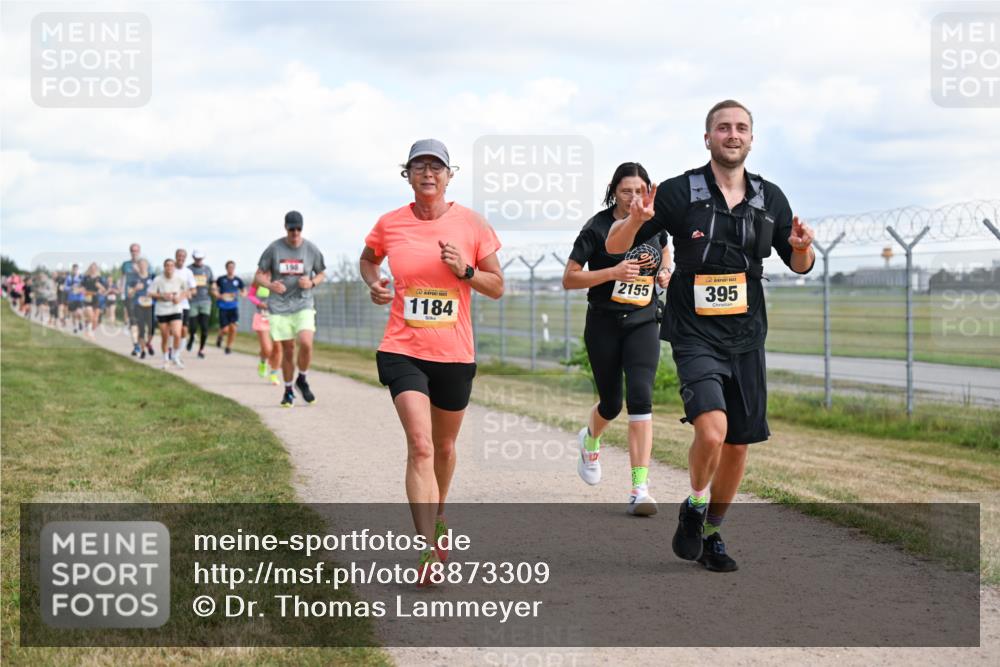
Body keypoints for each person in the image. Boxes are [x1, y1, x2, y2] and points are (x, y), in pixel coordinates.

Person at [605, 100, 816, 572]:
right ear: (708, 138)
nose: (732, 134)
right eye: (723, 127)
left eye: (741, 127)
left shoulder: (770, 198)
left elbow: (797, 263)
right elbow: (614, 246)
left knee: (738, 442)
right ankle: (696, 504)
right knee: (712, 429)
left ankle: (713, 531)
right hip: (694, 332)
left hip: (746, 335)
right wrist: (637, 219)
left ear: (751, 139)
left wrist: (802, 250)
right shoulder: (681, 192)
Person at [360, 139, 504, 585]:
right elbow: (369, 260)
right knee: (420, 445)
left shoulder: (472, 224)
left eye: (436, 167)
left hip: (454, 355)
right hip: (403, 348)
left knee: (443, 448)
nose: (428, 173)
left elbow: (497, 286)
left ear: (449, 175)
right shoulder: (390, 224)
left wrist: (465, 270)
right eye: (419, 166)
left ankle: (439, 516)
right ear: (407, 173)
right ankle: (426, 549)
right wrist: (376, 282)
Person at [563, 162, 671, 516]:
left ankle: (640, 488)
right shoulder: (596, 227)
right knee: (612, 404)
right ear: (614, 191)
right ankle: (590, 439)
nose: (634, 198)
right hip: (604, 323)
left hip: (643, 321)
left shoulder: (656, 221)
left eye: (640, 190)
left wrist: (666, 270)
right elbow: (570, 278)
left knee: (641, 397)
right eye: (627, 191)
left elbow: (665, 248)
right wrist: (611, 271)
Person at [255, 211, 327, 407]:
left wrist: (311, 282)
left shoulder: (310, 249)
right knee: (288, 350)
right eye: (291, 229)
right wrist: (270, 285)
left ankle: (301, 379)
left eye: (298, 229)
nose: (295, 232)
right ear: (286, 228)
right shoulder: (274, 248)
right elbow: (259, 275)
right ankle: (288, 390)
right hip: (279, 306)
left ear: (302, 228)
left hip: (303, 303)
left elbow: (321, 273)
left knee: (306, 342)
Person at [150, 258, 190, 369]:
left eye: (171, 265)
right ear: (164, 267)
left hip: (175, 309)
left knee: (177, 334)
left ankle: (175, 356)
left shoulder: (179, 279)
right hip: (162, 310)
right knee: (165, 336)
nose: (169, 267)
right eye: (167, 265)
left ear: (174, 267)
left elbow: (187, 291)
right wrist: (162, 296)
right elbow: (150, 293)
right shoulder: (158, 279)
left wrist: (179, 298)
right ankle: (165, 359)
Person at [247, 283, 281, 384]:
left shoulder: (283, 279)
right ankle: (263, 361)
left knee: (278, 348)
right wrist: (258, 303)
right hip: (262, 317)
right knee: (267, 349)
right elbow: (250, 295)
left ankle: (274, 374)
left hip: (279, 318)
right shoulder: (258, 280)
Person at [212, 260, 245, 354]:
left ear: (234, 268)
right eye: (229, 267)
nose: (231, 269)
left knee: (233, 328)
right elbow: (213, 289)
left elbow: (244, 291)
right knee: (225, 329)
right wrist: (218, 295)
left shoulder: (238, 280)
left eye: (232, 267)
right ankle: (220, 336)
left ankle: (228, 346)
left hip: (233, 307)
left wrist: (242, 294)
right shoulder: (221, 279)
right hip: (223, 307)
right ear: (226, 268)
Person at [186, 250, 214, 358]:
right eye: (196, 259)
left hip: (205, 300)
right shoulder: (189, 269)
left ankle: (201, 349)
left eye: (200, 259)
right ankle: (192, 337)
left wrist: (215, 290)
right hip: (192, 301)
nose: (198, 261)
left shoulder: (207, 269)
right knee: (192, 326)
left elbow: (212, 282)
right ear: (193, 258)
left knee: (204, 327)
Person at [128, 258, 156, 359]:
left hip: (150, 305)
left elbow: (159, 290)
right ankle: (143, 350)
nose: (143, 266)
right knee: (141, 329)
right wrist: (135, 288)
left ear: (147, 266)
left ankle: (148, 343)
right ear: (138, 266)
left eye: (144, 264)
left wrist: (152, 294)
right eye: (141, 264)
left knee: (152, 329)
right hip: (138, 306)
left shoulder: (153, 277)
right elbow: (129, 294)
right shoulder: (134, 279)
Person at [174, 248, 197, 363]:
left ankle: (177, 354)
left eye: (183, 256)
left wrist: (187, 294)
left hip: (184, 305)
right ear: (175, 256)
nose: (181, 258)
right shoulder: (170, 269)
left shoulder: (188, 272)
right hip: (170, 306)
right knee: (173, 331)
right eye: (179, 256)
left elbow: (193, 290)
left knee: (184, 330)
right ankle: (171, 352)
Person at [80, 263, 107, 339]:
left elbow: (104, 290)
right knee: (90, 315)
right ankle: (89, 331)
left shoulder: (100, 278)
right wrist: (82, 291)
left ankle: (91, 332)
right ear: (89, 269)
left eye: (94, 268)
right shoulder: (86, 278)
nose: (93, 269)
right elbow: (82, 287)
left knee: (95, 319)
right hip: (88, 297)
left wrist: (100, 287)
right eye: (91, 268)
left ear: (96, 269)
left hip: (96, 298)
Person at [120, 243, 142, 328]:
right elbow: (122, 277)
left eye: (136, 251)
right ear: (130, 252)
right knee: (129, 310)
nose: (134, 253)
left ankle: (135, 327)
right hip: (128, 292)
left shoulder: (144, 263)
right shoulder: (126, 264)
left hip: (140, 292)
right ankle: (130, 325)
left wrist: (138, 270)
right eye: (132, 251)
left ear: (139, 252)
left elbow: (147, 277)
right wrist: (121, 288)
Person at [64, 265, 86, 333]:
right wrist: (71, 287)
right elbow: (65, 287)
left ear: (78, 270)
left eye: (76, 269)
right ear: (72, 270)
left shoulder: (81, 277)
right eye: (74, 269)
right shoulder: (69, 277)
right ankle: (75, 327)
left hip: (80, 298)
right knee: (73, 314)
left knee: (79, 312)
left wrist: (80, 289)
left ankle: (80, 322)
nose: (75, 271)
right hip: (71, 298)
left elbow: (85, 286)